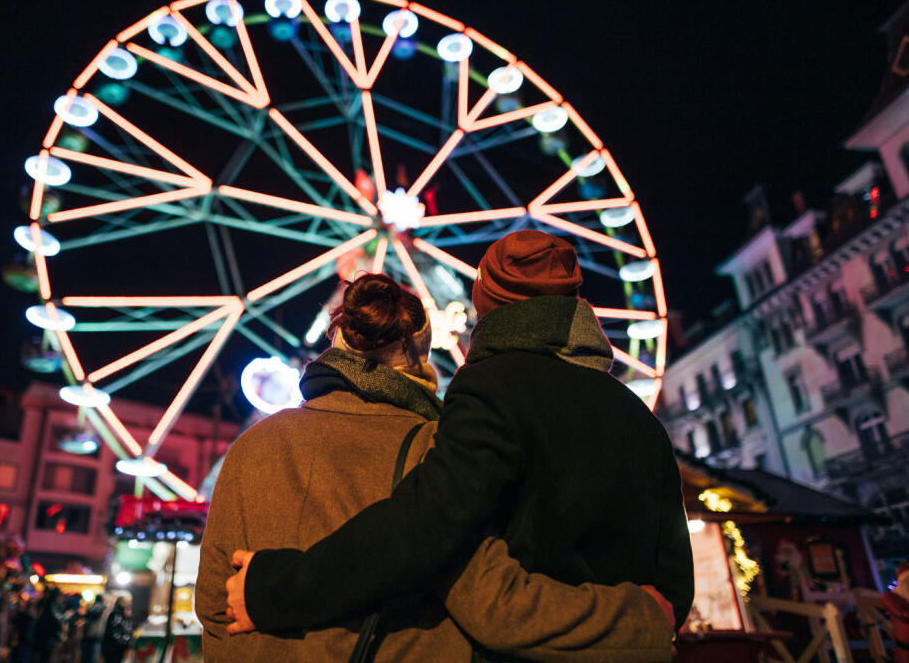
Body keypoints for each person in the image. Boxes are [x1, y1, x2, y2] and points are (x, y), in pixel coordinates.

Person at [226, 232, 695, 649]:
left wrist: (277, 590)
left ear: (483, 300)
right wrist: (637, 623)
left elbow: (424, 526)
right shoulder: (639, 417)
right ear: (576, 302)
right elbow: (674, 587)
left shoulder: (493, 387)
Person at [33, 588, 63, 663]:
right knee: (45, 657)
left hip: (42, 635)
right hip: (48, 636)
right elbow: (57, 621)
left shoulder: (46, 604)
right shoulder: (53, 606)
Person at [100, 596, 132, 663]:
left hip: (117, 647)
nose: (128, 603)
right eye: (126, 602)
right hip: (112, 646)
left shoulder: (123, 614)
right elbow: (113, 630)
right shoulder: (115, 614)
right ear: (121, 602)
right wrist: (122, 641)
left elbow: (126, 629)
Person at [80, 595, 106, 663]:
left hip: (88, 635)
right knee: (92, 658)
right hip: (96, 636)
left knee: (85, 657)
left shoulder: (91, 607)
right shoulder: (101, 607)